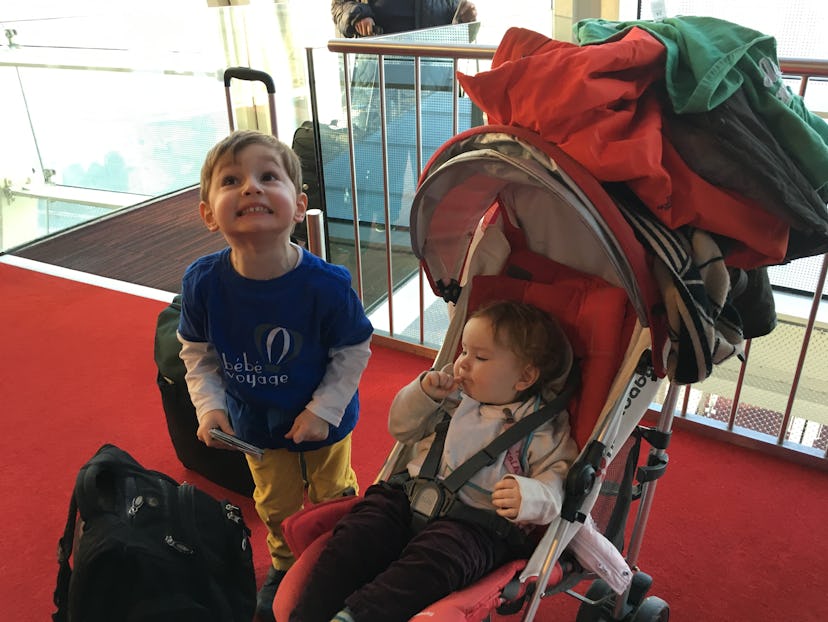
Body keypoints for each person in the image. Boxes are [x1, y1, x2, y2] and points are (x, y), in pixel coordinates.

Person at [176, 129, 374, 622]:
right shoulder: (202, 284)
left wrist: (321, 410)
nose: (251, 188)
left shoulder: (326, 286)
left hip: (323, 421)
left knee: (333, 493)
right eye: (231, 180)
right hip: (255, 423)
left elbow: (352, 349)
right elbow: (197, 352)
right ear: (207, 212)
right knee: (274, 500)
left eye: (268, 177)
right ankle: (286, 565)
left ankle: (340, 557)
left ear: (298, 203)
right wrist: (210, 405)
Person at [290, 300, 579, 622]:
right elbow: (401, 428)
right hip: (408, 494)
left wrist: (529, 495)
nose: (462, 364)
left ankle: (359, 616)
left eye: (480, 357)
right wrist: (424, 395)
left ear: (524, 377)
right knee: (357, 534)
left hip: (475, 524)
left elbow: (558, 479)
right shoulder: (452, 398)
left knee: (435, 563)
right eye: (464, 351)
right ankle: (310, 613)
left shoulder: (541, 427)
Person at [331, 0, 477, 38]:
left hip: (434, 79)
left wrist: (468, 15)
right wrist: (359, 15)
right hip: (378, 72)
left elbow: (457, 14)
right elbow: (338, 5)